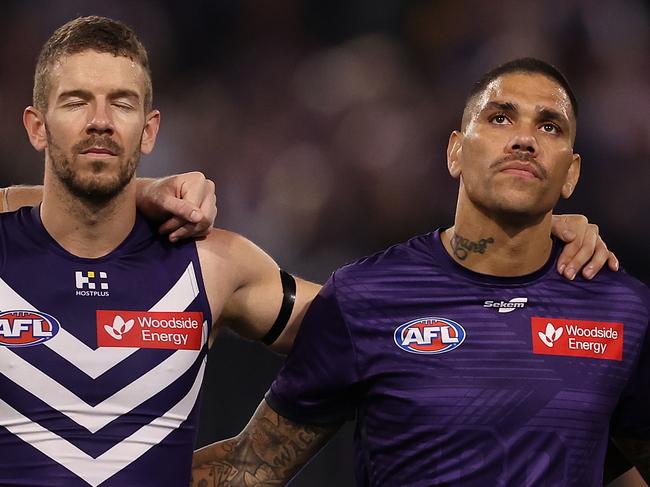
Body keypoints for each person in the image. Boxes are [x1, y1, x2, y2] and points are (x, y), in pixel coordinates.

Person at [0, 16, 617, 487]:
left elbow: (391, 331)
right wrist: (139, 188)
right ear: (35, 125)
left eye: (123, 103)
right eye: (77, 101)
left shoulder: (215, 265)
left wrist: (531, 246)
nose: (102, 121)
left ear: (152, 128)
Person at [191, 58, 650, 486]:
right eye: (500, 117)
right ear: (455, 152)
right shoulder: (363, 298)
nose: (525, 139)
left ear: (570, 174)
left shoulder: (622, 311)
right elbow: (248, 467)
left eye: (549, 126)